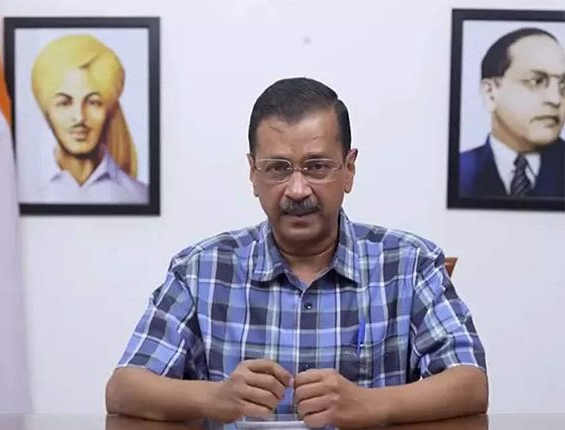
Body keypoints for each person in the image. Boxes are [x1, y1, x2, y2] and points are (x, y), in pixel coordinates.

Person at [106, 78, 487, 428]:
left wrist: (372, 404)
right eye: (278, 169)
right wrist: (215, 397)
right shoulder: (201, 269)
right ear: (253, 173)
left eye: (317, 167)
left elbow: (469, 384)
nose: (298, 189)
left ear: (349, 169)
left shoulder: (409, 264)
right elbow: (124, 389)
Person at [30, 34, 148, 204]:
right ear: (46, 112)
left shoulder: (140, 196)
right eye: (64, 103)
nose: (79, 117)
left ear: (109, 110)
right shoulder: (26, 193)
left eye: (93, 102)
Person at [460, 28, 565, 198]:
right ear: (490, 93)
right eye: (536, 81)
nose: (556, 99)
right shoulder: (458, 171)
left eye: (563, 85)